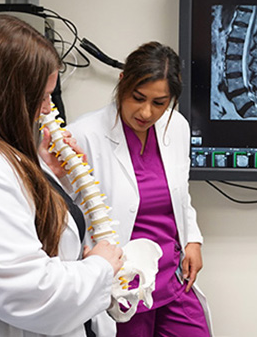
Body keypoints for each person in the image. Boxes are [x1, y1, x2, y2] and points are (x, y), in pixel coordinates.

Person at [0, 14, 124, 337]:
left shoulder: (6, 156)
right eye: (42, 96)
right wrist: (100, 266)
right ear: (8, 95)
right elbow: (32, 293)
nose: (48, 109)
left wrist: (48, 174)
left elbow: (37, 233)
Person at [68, 41, 212, 336]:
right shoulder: (84, 135)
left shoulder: (177, 128)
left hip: (173, 276)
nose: (146, 112)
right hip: (124, 285)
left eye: (159, 103)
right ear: (122, 83)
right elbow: (63, 213)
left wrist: (193, 240)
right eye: (138, 97)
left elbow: (180, 195)